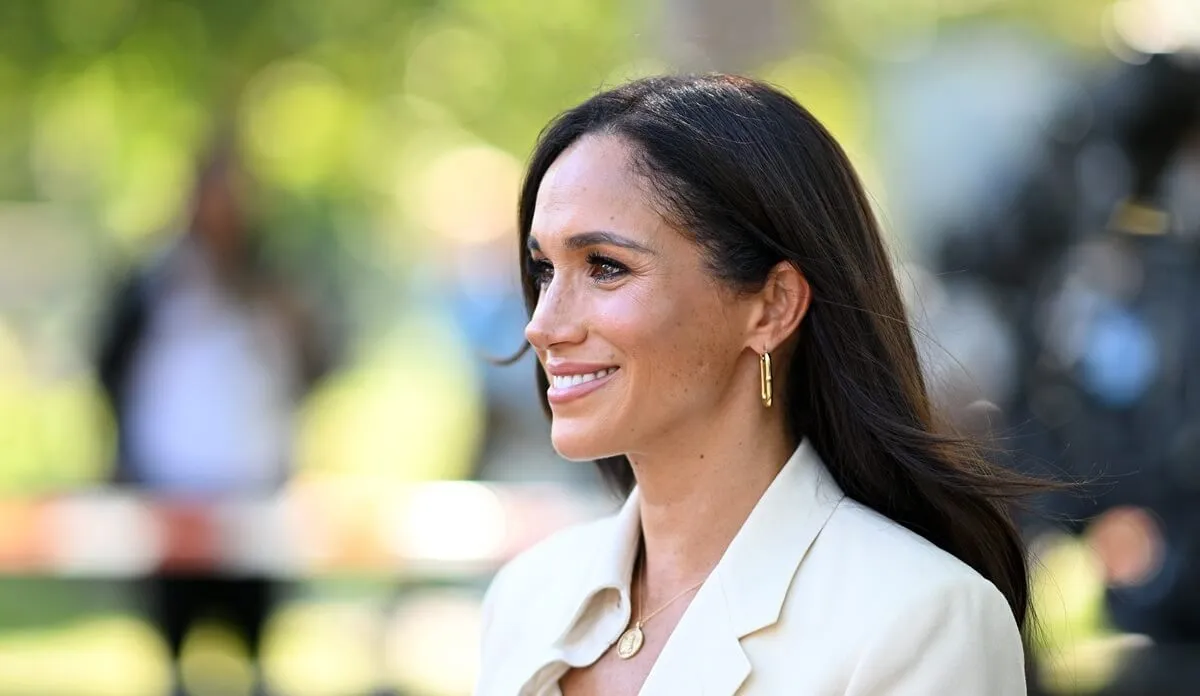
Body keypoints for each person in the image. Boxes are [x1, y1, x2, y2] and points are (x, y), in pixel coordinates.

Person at [475, 74, 1044, 695]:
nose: (541, 325)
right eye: (544, 269)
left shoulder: (921, 618)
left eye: (606, 267)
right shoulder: (527, 597)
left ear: (772, 307)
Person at [95, 141, 336, 696]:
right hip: (170, 479)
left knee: (253, 631)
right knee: (175, 632)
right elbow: (109, 368)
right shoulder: (153, 280)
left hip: (254, 478)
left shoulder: (277, 280)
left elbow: (318, 362)